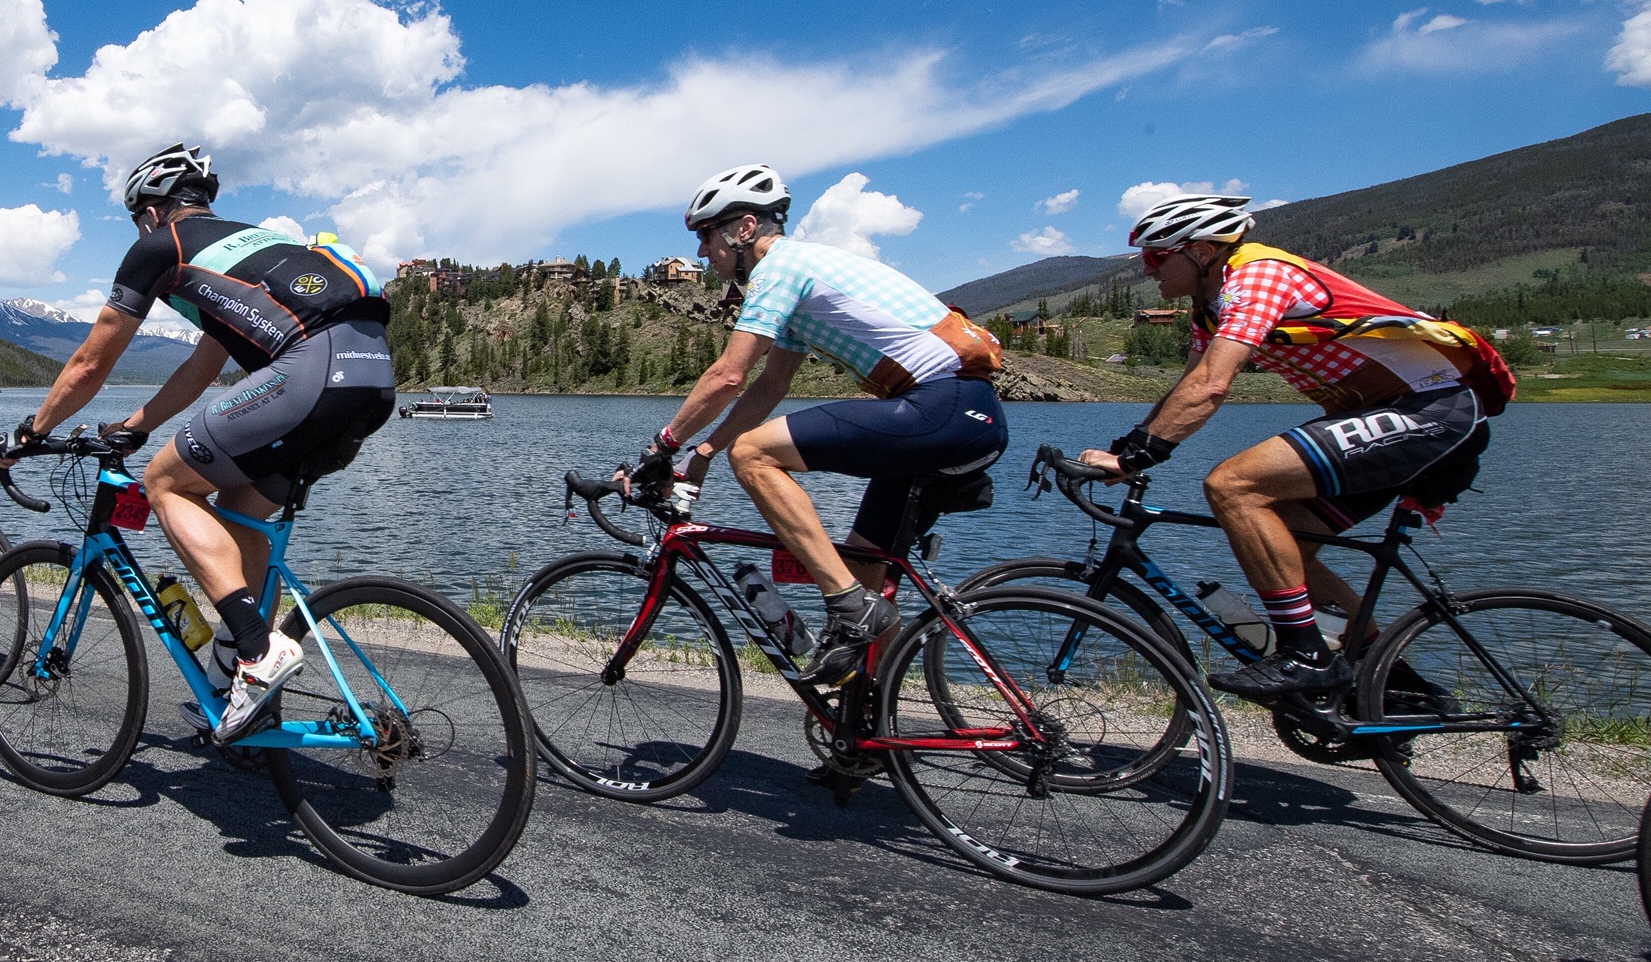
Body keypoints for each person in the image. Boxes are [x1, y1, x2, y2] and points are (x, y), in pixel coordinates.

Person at [0, 143, 395, 741]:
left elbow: (90, 361)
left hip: (312, 371)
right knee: (237, 513)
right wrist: (138, 425)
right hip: (372, 379)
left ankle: (257, 652)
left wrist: (31, 432)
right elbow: (204, 367)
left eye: (135, 219)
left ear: (150, 211)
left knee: (162, 481)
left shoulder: (161, 247)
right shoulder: (254, 246)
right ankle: (241, 692)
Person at [1078, 193, 1512, 699]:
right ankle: (1391, 685)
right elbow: (1190, 383)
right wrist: (1125, 448)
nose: (1148, 272)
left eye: (1155, 257)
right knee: (1286, 546)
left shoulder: (1257, 277)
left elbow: (1214, 385)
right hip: (1388, 415)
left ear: (1199, 252)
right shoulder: (1210, 308)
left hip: (1429, 409)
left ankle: (1304, 654)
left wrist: (1136, 458)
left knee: (1232, 486)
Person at [636, 164, 1009, 686]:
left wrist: (662, 447)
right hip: (956, 416)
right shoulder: (799, 279)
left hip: (942, 406)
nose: (701, 252)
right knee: (865, 573)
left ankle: (847, 606)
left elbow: (728, 375)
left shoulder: (779, 269)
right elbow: (770, 386)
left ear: (743, 229)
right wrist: (702, 453)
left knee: (754, 454)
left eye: (705, 236)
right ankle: (866, 730)